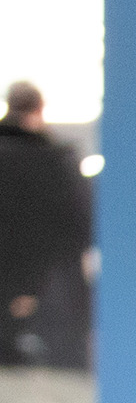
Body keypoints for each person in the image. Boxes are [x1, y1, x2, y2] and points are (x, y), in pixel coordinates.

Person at [0, 82, 93, 373]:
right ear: (39, 109)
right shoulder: (57, 158)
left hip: (8, 277)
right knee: (59, 369)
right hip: (51, 285)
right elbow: (80, 218)